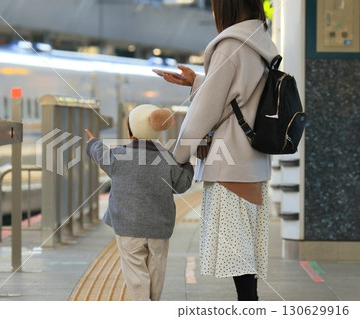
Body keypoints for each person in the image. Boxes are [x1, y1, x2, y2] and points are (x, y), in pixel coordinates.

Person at [161, 0, 278, 301]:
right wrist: (198, 81)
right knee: (244, 254)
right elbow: (240, 94)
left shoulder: (230, 45)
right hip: (252, 160)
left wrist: (177, 158)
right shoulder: (259, 41)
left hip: (229, 165)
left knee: (238, 256)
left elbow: (206, 111)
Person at [85, 104, 194, 301]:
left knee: (136, 275)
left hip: (128, 227)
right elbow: (181, 185)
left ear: (130, 132)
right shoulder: (166, 158)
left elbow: (99, 153)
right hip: (159, 228)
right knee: (156, 272)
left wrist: (92, 142)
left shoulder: (118, 155)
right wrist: (186, 165)